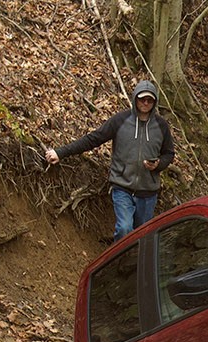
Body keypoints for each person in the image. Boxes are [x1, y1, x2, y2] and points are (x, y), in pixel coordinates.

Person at [46, 80, 176, 242]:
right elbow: (93, 139)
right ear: (135, 98)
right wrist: (60, 152)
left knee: (142, 238)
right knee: (124, 229)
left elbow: (169, 154)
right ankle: (116, 264)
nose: (145, 103)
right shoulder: (120, 121)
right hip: (122, 187)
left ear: (155, 102)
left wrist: (158, 165)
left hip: (148, 192)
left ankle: (133, 267)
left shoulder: (161, 126)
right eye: (142, 99)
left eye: (150, 100)